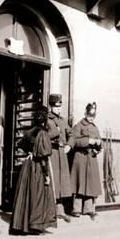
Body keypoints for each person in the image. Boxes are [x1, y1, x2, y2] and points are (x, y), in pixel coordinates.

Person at [9, 106, 57, 234]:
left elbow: (21, 144)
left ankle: (23, 224)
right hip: (38, 167)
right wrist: (46, 174)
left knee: (27, 194)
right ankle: (35, 225)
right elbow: (43, 156)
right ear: (45, 119)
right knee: (38, 195)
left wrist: (30, 152)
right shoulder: (43, 134)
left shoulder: (30, 132)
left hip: (28, 165)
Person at [68, 102, 102, 220]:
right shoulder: (78, 126)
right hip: (81, 158)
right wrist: (88, 140)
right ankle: (76, 208)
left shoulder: (95, 127)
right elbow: (74, 141)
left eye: (93, 115)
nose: (91, 118)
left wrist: (98, 147)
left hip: (91, 158)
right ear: (85, 113)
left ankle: (88, 209)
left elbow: (99, 142)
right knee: (79, 183)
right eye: (89, 115)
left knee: (90, 184)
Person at [46, 93, 73, 222]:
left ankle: (60, 210)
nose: (58, 109)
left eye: (60, 106)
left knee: (62, 181)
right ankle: (51, 211)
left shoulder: (62, 121)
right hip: (52, 153)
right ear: (50, 106)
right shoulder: (47, 119)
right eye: (56, 107)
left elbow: (71, 134)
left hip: (62, 152)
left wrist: (69, 145)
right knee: (53, 180)